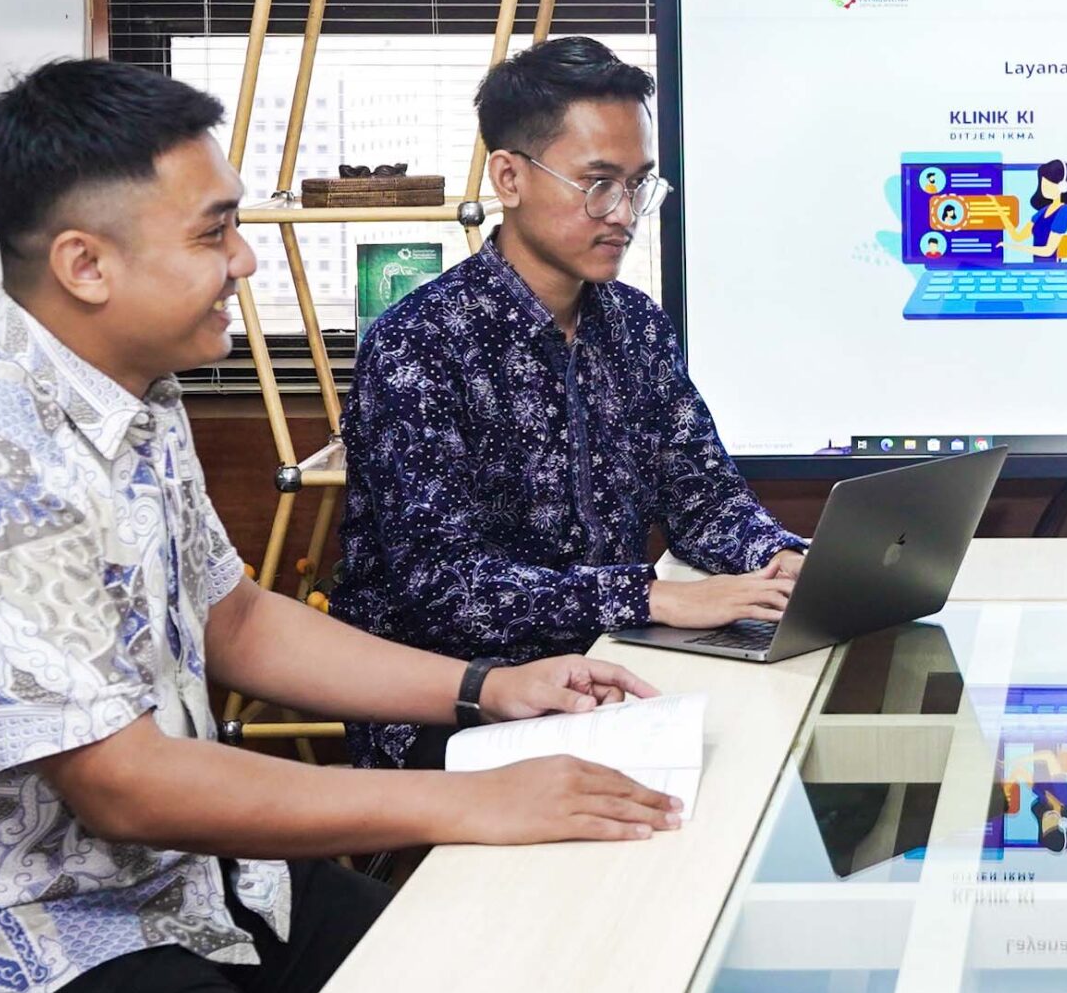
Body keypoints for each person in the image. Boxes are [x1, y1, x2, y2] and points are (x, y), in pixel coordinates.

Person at [0, 60, 681, 993]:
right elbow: (125, 785)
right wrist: (472, 800)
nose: (247, 259)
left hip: (169, 879)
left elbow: (237, 618)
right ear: (85, 264)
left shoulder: (136, 395)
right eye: (215, 232)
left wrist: (486, 688)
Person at [330, 37, 802, 769]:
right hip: (456, 708)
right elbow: (447, 587)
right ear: (509, 177)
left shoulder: (635, 324)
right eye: (598, 184)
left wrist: (781, 562)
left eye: (639, 186)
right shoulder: (417, 344)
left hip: (613, 670)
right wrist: (651, 597)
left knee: (769, 749)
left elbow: (704, 497)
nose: (624, 214)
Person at [1008, 158, 1067, 261]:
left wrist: (1013, 247)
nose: (1044, 189)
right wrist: (1001, 212)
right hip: (1037, 264)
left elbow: (1048, 251)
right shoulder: (1043, 211)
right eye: (1043, 184)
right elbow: (1018, 237)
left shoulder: (1064, 210)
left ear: (1063, 187)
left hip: (1052, 265)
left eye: (1049, 185)